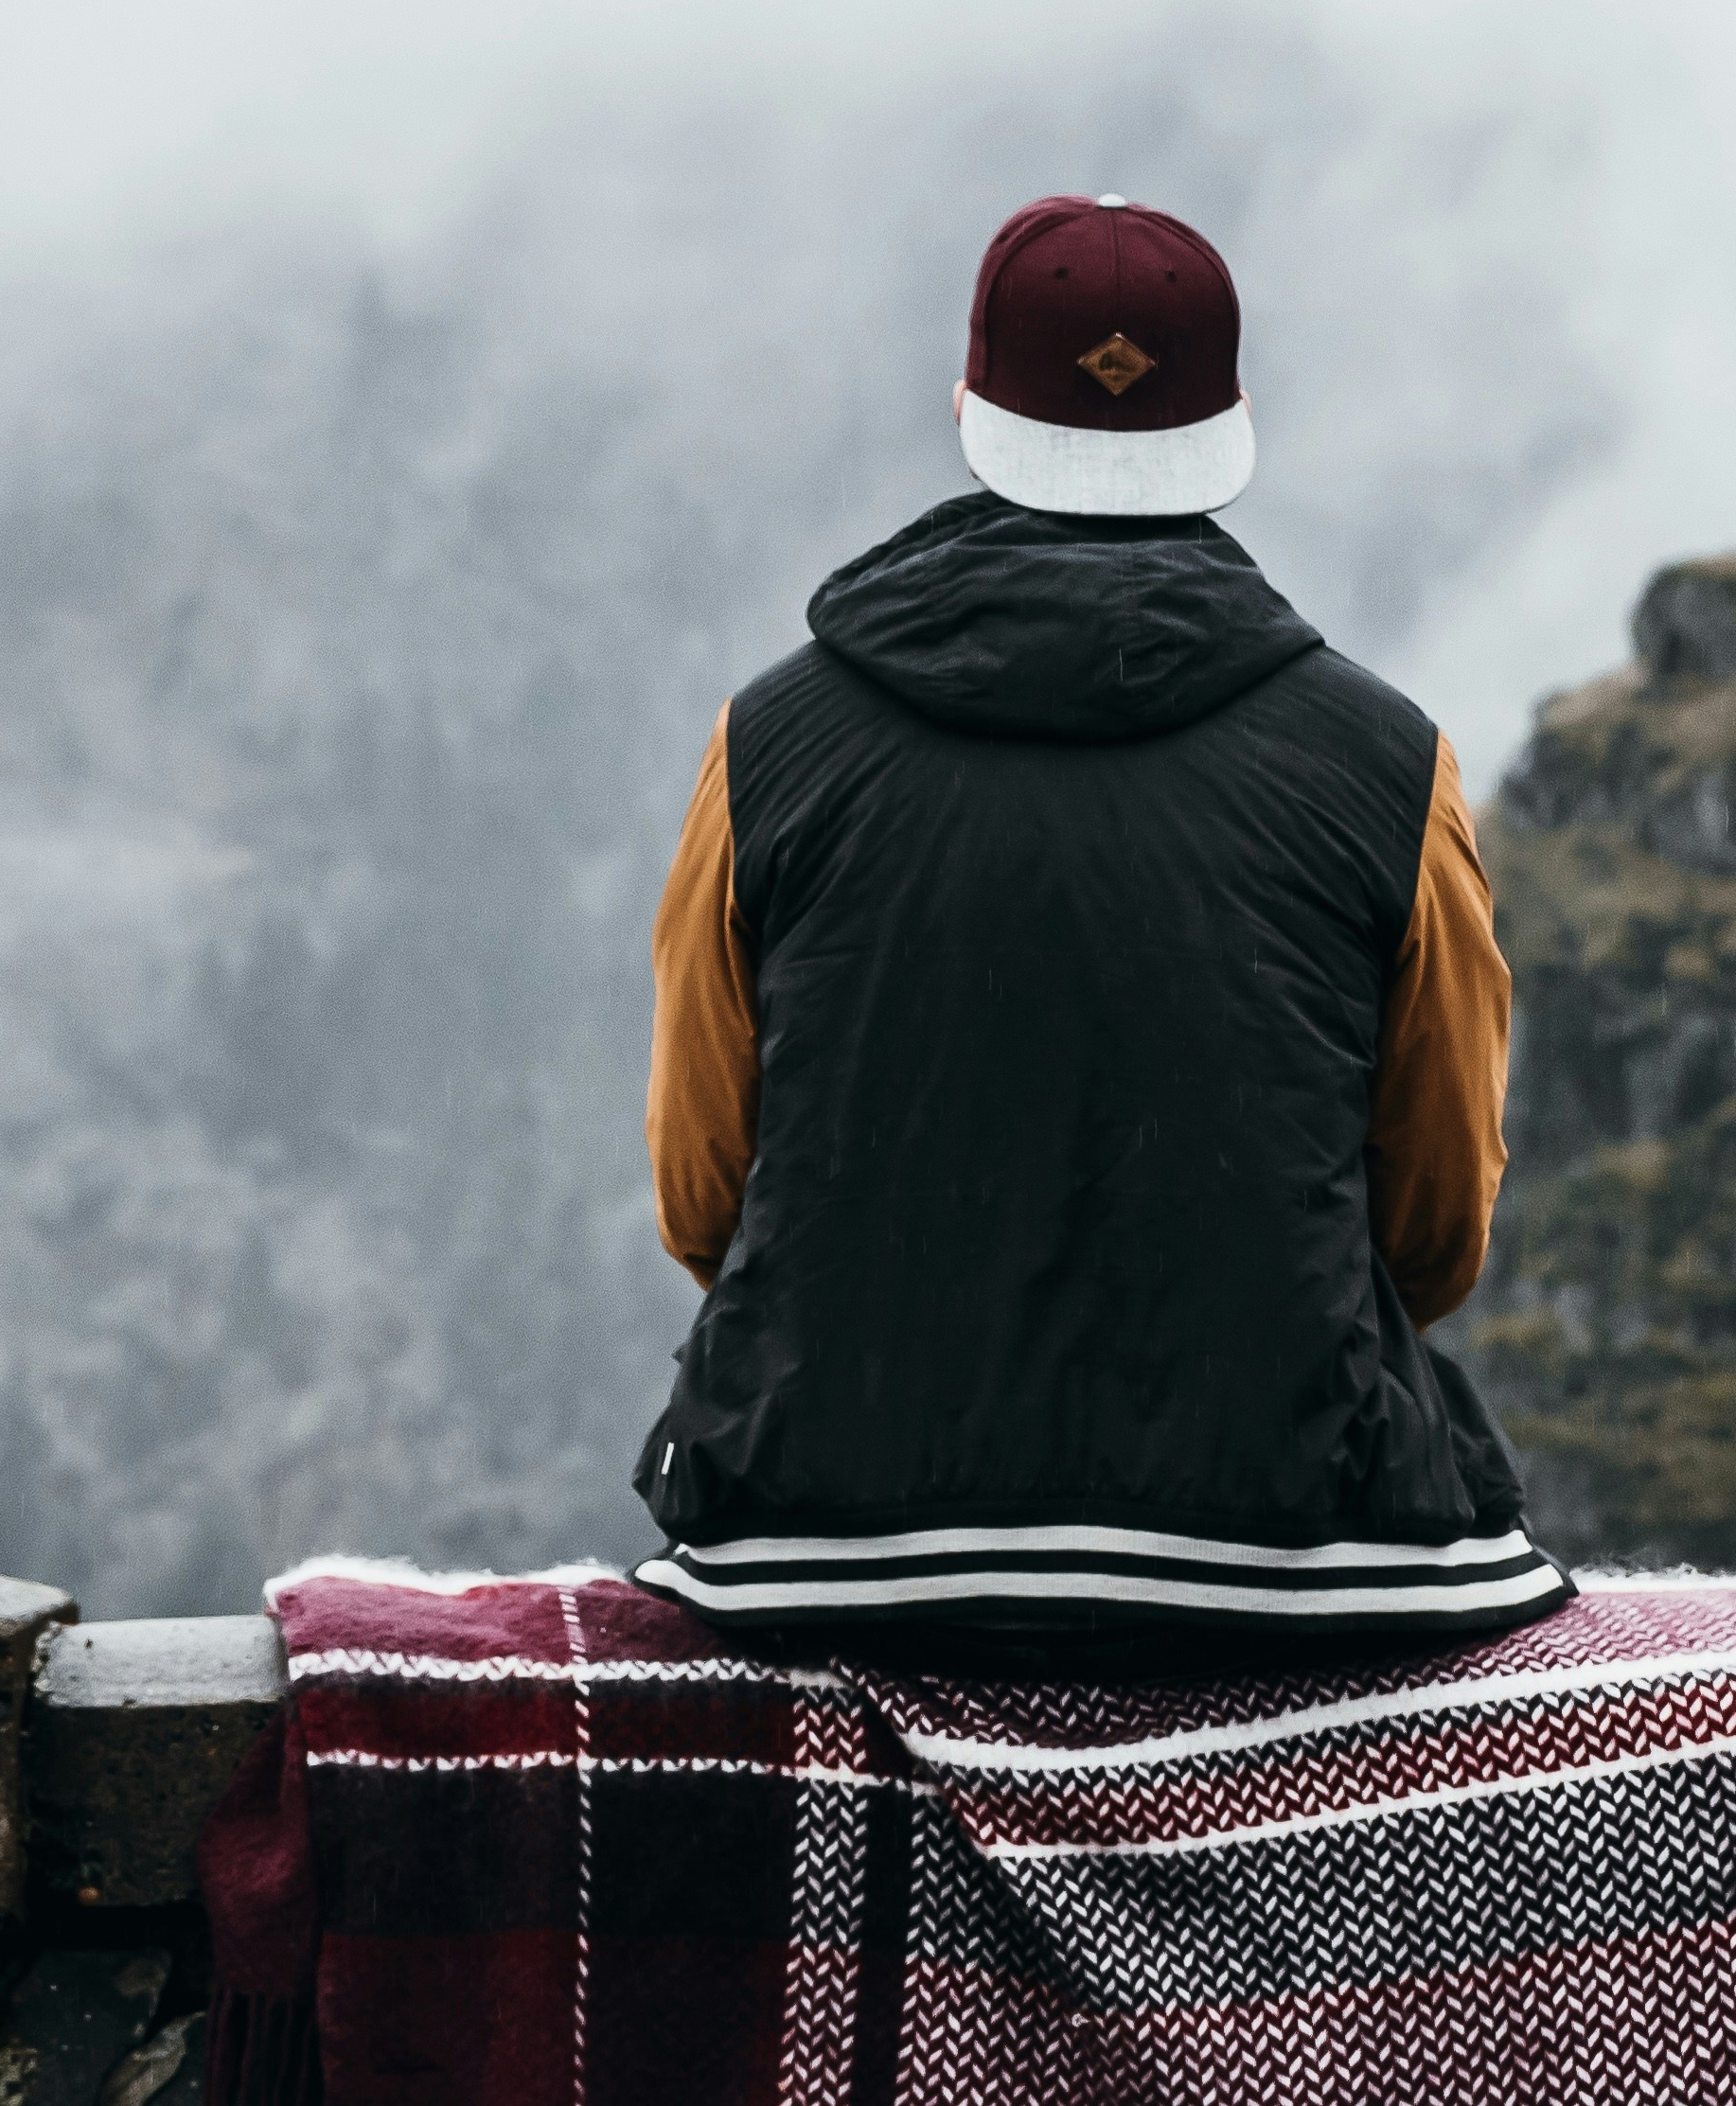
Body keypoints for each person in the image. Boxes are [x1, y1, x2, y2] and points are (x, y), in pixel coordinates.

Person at [629, 193, 1568, 1643]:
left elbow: (707, 1188)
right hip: (1298, 1544)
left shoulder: (770, 743)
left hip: (817, 1538)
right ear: (1230, 428)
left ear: (968, 405)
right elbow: (1433, 1224)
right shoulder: (1390, 760)